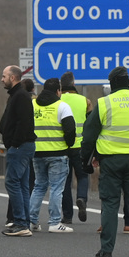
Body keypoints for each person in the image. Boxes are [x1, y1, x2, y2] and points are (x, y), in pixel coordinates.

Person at [81, 66, 129, 257]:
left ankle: (106, 250)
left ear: (112, 83)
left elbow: (89, 136)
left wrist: (86, 160)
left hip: (111, 161)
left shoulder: (104, 103)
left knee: (110, 204)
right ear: (128, 82)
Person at [29, 77, 75, 233]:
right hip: (58, 153)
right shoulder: (62, 106)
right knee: (56, 188)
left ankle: (32, 221)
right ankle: (55, 222)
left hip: (37, 152)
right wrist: (68, 145)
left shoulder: (33, 104)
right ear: (58, 91)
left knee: (39, 187)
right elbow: (70, 130)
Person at [0, 65, 36, 237]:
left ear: (13, 78)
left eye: (4, 76)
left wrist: (14, 143)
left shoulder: (20, 96)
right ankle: (23, 222)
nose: (2, 79)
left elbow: (23, 123)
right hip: (22, 146)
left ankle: (21, 222)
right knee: (21, 184)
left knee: (12, 182)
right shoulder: (17, 95)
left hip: (20, 147)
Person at [59, 72, 92, 224]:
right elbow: (92, 124)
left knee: (65, 181)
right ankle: (81, 198)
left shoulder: (58, 100)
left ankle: (67, 216)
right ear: (73, 84)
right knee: (83, 176)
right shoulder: (85, 101)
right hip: (80, 147)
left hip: (63, 146)